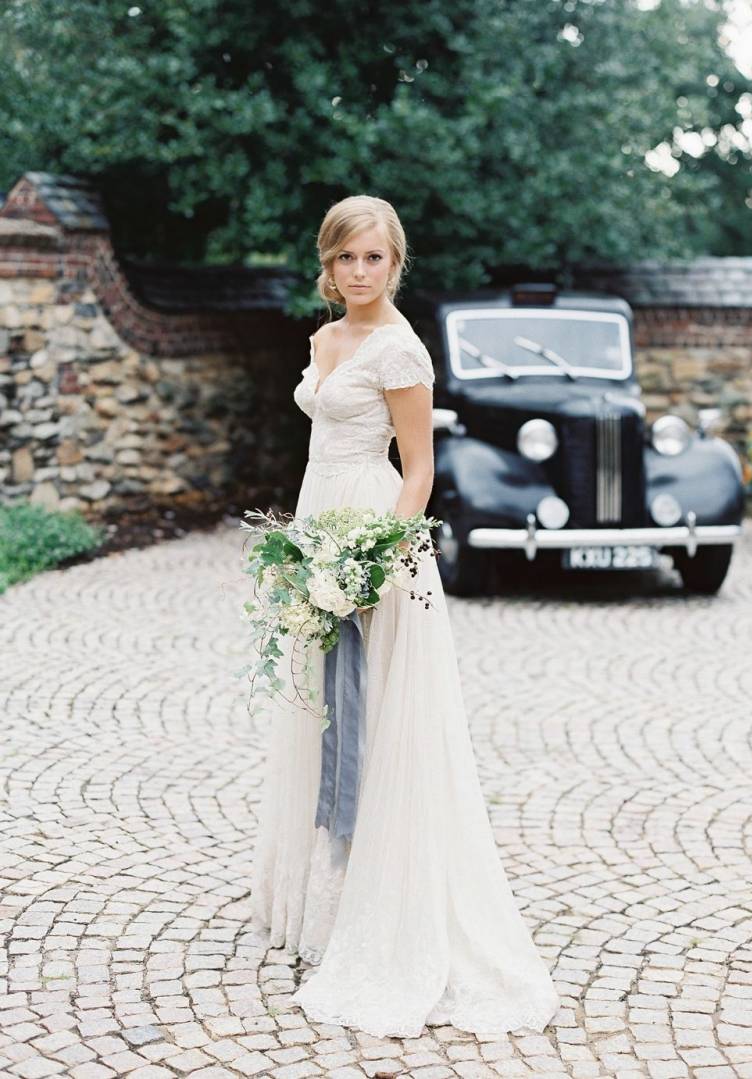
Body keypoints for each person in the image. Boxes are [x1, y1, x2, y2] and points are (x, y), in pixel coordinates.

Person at [249, 194, 560, 1038]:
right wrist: (310, 546)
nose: (359, 272)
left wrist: (372, 556)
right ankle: (328, 893)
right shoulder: (324, 339)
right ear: (329, 262)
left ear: (396, 263)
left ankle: (382, 897)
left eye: (373, 258)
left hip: (373, 535)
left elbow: (418, 469)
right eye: (346, 257)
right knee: (324, 708)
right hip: (320, 523)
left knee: (377, 709)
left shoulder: (401, 347)